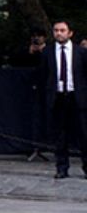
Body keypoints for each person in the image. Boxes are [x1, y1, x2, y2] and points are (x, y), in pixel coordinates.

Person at [39, 20, 87, 179]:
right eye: (56, 30)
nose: (59, 33)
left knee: (83, 134)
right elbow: (43, 76)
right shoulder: (47, 52)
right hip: (58, 97)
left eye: (62, 30)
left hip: (77, 97)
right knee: (60, 135)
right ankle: (62, 167)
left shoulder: (81, 52)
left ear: (70, 33)